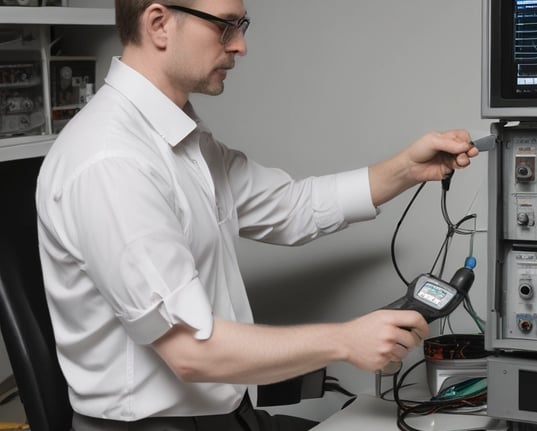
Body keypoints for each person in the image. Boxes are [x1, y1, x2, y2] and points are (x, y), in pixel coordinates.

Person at [35, 1, 479, 430]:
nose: (240, 45)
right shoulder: (112, 162)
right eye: (226, 25)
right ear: (158, 24)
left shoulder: (179, 139)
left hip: (225, 414)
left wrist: (406, 169)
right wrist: (346, 341)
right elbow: (192, 352)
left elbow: (291, 207)